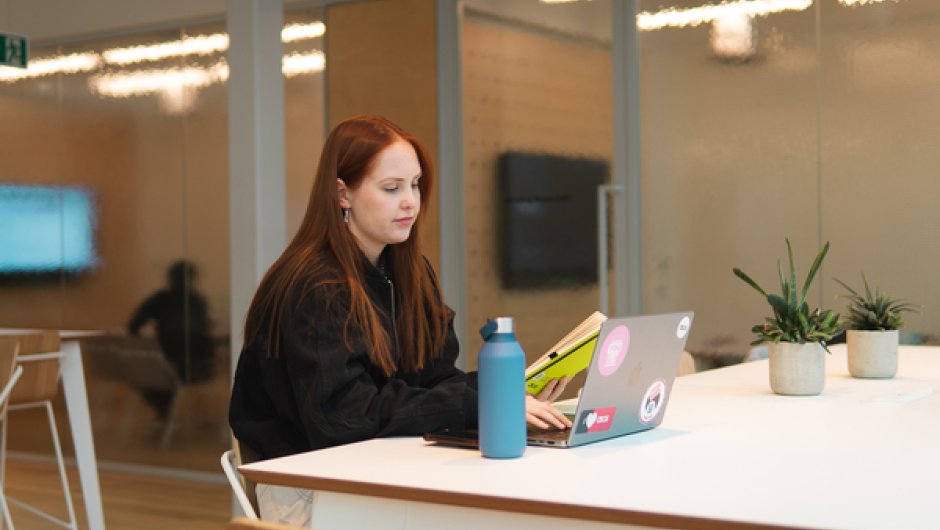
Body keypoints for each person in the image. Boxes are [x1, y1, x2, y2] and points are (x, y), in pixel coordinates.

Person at [229, 115, 571, 461]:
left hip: (384, 461)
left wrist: (502, 391)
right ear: (342, 194)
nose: (410, 201)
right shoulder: (315, 287)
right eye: (392, 188)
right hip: (307, 475)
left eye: (415, 184)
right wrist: (475, 402)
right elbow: (344, 417)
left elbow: (434, 380)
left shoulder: (408, 270)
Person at [127, 259, 215, 420]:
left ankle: (164, 412)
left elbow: (133, 326)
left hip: (164, 364)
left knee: (150, 375)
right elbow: (206, 327)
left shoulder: (160, 300)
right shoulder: (196, 301)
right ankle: (166, 411)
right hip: (194, 365)